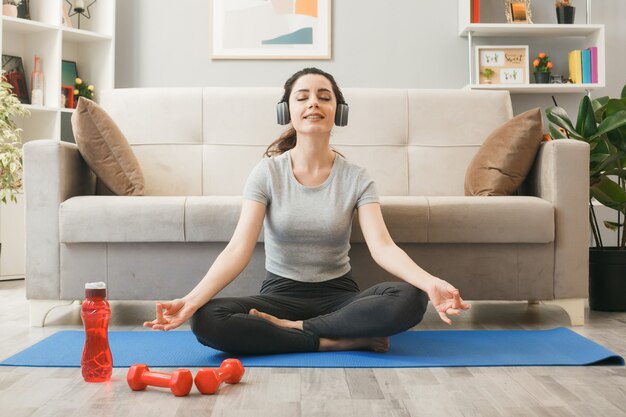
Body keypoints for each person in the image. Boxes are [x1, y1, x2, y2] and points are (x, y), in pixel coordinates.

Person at [144, 68, 471, 354]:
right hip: (279, 295)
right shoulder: (267, 173)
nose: (313, 102)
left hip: (340, 298)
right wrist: (191, 300)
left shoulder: (356, 177)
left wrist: (430, 283)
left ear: (338, 111)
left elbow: (383, 247)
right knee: (206, 320)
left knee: (411, 298)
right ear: (286, 110)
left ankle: (296, 329)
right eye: (302, 97)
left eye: (323, 96)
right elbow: (237, 250)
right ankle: (330, 341)